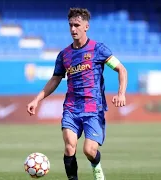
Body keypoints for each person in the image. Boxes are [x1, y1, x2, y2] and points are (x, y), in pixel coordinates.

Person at [26, 8, 127, 180]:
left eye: (77, 25)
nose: (73, 29)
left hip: (93, 108)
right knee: (69, 147)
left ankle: (96, 166)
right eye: (70, 25)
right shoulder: (64, 55)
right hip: (71, 108)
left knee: (89, 150)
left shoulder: (98, 49)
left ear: (86, 26)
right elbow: (55, 79)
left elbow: (121, 69)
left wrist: (121, 93)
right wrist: (37, 100)